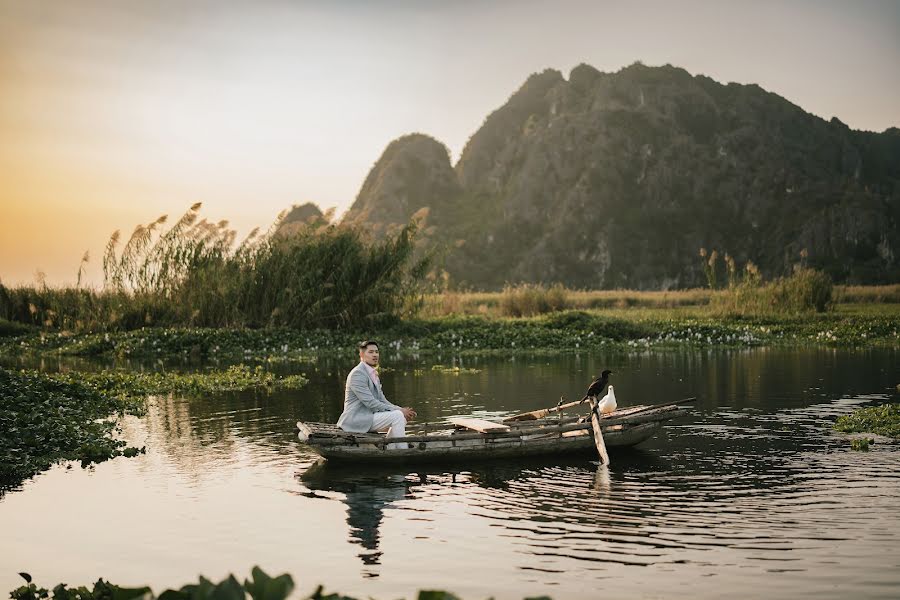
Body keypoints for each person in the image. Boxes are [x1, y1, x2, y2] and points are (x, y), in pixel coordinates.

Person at [338, 340, 416, 449]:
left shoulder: (373, 373)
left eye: (376, 352)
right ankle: (404, 450)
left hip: (368, 417)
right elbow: (371, 403)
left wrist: (401, 409)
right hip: (355, 420)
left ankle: (390, 448)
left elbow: (382, 400)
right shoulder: (357, 374)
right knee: (397, 415)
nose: (375, 355)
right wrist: (399, 411)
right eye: (370, 352)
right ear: (361, 355)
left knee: (401, 417)